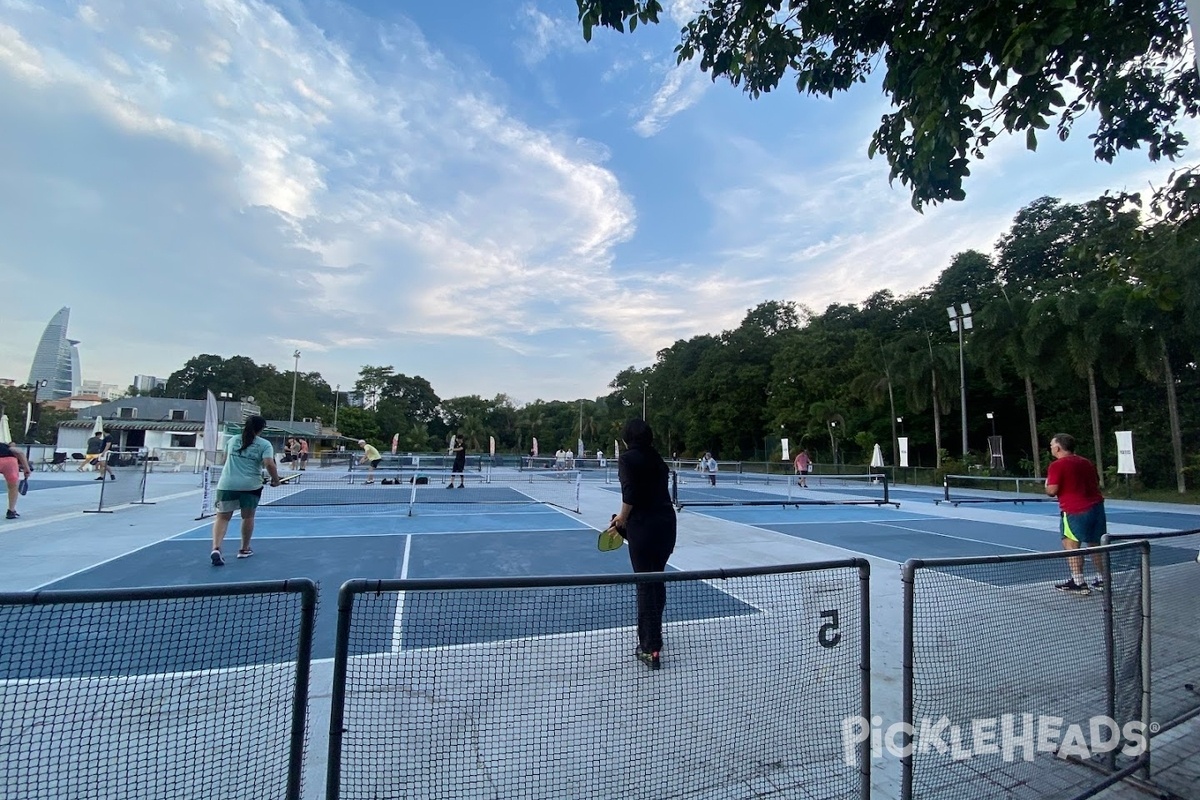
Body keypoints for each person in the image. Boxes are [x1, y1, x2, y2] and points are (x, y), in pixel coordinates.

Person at [611, 418, 677, 671]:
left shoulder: (628, 459)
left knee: (645, 584)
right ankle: (654, 636)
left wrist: (621, 519)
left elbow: (630, 494)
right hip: (666, 526)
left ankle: (650, 648)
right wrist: (624, 521)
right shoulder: (657, 459)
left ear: (627, 438)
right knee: (656, 579)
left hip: (644, 527)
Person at [210, 415, 279, 566]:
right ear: (262, 428)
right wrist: (276, 479)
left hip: (227, 484)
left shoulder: (233, 440)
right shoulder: (264, 444)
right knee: (247, 517)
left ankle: (216, 548)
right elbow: (269, 464)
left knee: (222, 517)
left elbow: (225, 459)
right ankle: (244, 549)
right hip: (250, 486)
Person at [1045, 433, 1108, 595]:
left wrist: (1047, 484)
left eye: (1052, 445)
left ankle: (1079, 582)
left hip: (1074, 510)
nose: (1051, 448)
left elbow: (1052, 491)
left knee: (1071, 545)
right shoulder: (1086, 462)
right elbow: (1097, 481)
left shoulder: (1057, 465)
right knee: (1096, 545)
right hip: (1096, 508)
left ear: (1058, 447)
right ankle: (1103, 580)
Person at [0, 441, 33, 519]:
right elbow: (20, 452)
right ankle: (11, 510)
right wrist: (26, 468)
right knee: (13, 486)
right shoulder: (6, 447)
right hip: (9, 462)